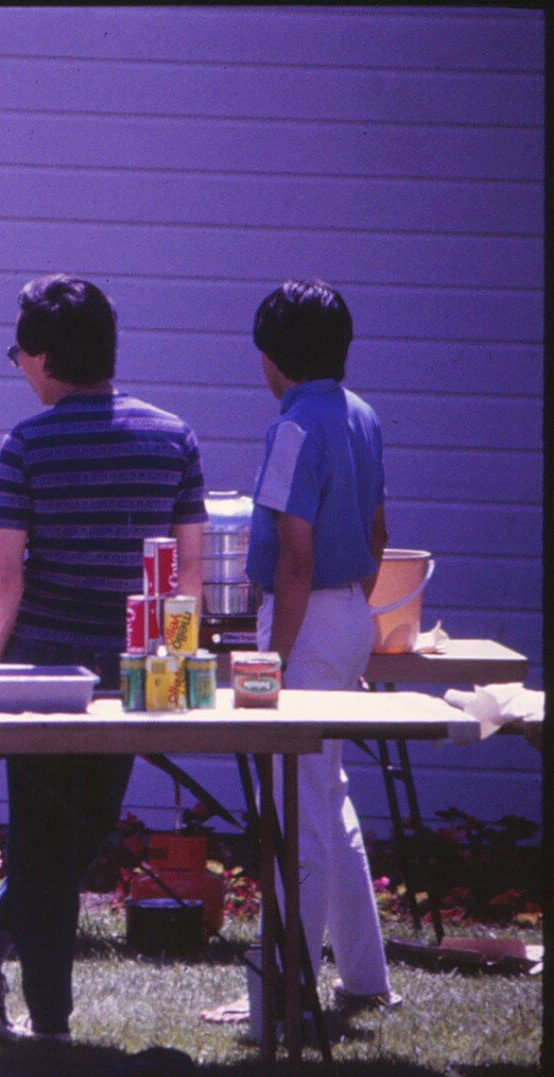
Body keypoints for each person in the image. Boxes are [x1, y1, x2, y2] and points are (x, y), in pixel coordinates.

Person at [0, 274, 206, 1043]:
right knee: (77, 835)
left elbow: (4, 574)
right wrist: (176, 668)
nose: (18, 363)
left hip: (41, 674)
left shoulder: (27, 442)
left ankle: (44, 1020)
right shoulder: (173, 436)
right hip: (135, 672)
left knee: (42, 842)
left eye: (18, 349)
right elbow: (187, 573)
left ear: (47, 357)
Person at [232, 278, 400, 1014]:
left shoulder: (290, 427)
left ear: (272, 358)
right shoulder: (363, 415)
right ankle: (363, 975)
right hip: (350, 614)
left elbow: (293, 561)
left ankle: (280, 997)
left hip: (303, 622)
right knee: (327, 797)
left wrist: (275, 654)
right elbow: (378, 535)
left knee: (293, 813)